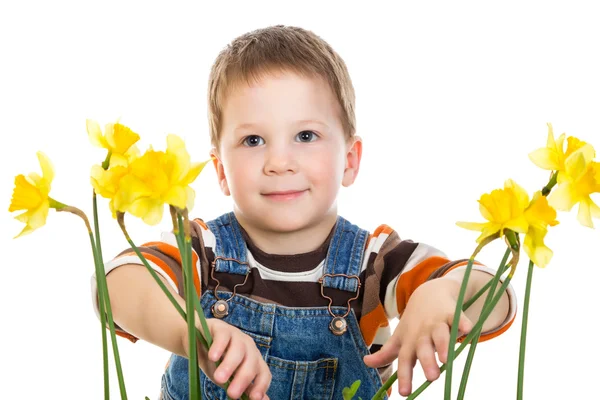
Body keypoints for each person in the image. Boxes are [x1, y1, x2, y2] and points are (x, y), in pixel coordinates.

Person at [92, 25, 516, 400]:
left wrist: (440, 295)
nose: (280, 162)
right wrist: (192, 334)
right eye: (254, 140)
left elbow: (496, 295)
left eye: (306, 135)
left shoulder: (376, 262)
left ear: (349, 160)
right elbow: (114, 287)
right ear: (220, 170)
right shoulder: (204, 250)